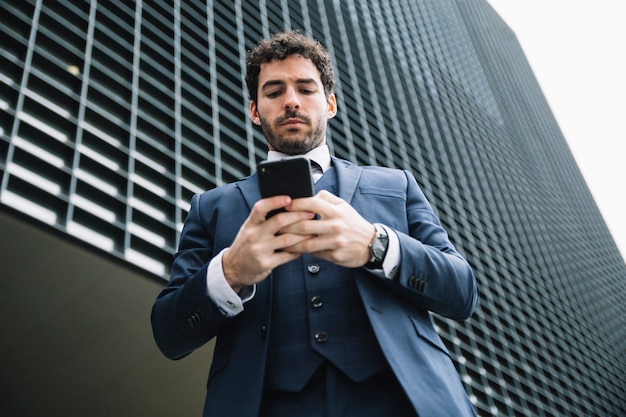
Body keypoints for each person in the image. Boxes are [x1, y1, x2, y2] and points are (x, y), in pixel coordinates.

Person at [151, 30, 478, 417]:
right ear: (255, 111)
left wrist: (377, 245)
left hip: (404, 401)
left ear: (330, 104)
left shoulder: (396, 184)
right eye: (273, 92)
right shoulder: (211, 207)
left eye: (305, 89)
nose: (291, 101)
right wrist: (231, 271)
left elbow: (462, 292)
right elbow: (169, 334)